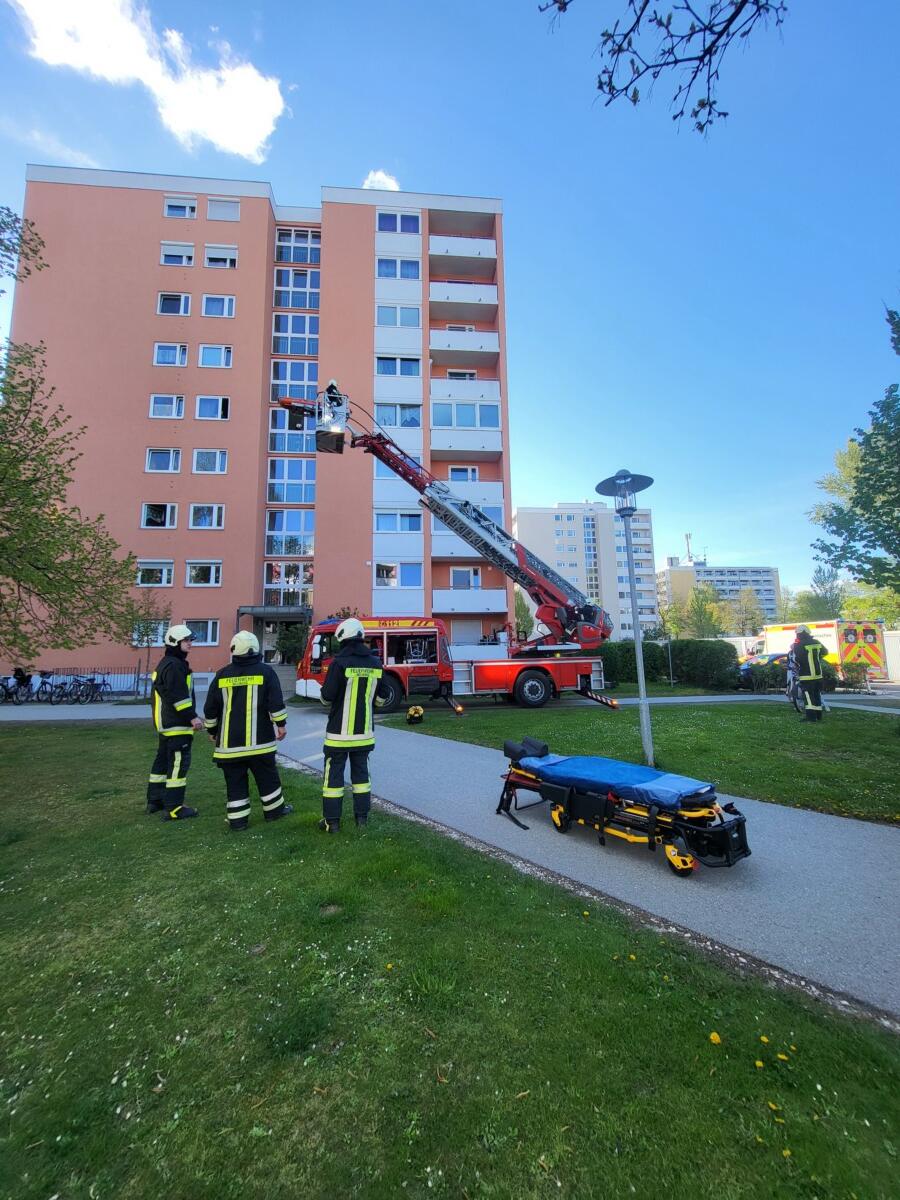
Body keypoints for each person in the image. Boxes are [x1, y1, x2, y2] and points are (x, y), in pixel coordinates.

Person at [203, 631, 292, 832]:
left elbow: (210, 708)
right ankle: (274, 812)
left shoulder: (222, 674)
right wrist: (281, 724)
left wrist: (212, 730)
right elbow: (275, 702)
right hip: (260, 743)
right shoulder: (266, 672)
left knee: (235, 782)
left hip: (230, 745)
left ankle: (238, 821)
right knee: (267, 778)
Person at [319, 616, 391, 832]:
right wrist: (371, 703)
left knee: (334, 778)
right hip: (364, 734)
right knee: (361, 777)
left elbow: (327, 697)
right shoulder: (375, 663)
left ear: (343, 638)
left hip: (338, 735)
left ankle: (332, 823)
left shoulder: (338, 663)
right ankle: (361, 820)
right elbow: (383, 696)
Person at [146, 624, 204, 820]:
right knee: (178, 764)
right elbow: (178, 696)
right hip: (177, 725)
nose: (190, 644)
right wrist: (192, 717)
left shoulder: (165, 663)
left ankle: (155, 801)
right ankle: (174, 807)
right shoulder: (175, 666)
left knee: (161, 764)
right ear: (175, 642)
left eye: (190, 640)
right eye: (186, 640)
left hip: (166, 725)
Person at [792, 625, 826, 722]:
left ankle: (811, 718)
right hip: (818, 675)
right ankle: (818, 716)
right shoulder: (816, 642)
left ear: (799, 634)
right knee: (816, 695)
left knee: (808, 696)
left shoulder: (799, 645)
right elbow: (825, 652)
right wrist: (817, 658)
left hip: (806, 675)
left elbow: (796, 659)